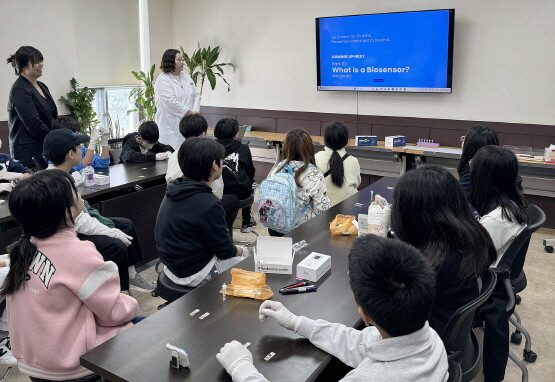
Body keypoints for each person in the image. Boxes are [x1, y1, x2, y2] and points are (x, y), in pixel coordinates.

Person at [217, 235, 449, 382]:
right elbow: (360, 344)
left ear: (364, 314)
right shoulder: (431, 339)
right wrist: (298, 323)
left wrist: (242, 370)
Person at [1, 170, 138, 381]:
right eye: (75, 191)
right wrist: (130, 303)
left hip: (34, 363)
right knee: (149, 330)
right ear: (66, 212)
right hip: (72, 365)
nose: (80, 195)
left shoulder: (21, 250)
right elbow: (114, 313)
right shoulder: (79, 253)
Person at [43, 128, 155, 292]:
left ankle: (131, 275)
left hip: (76, 225)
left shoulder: (63, 174)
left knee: (126, 225)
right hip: (68, 235)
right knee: (116, 245)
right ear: (70, 154)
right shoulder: (57, 182)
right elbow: (81, 222)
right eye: (79, 146)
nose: (82, 149)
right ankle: (122, 292)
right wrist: (111, 232)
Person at [390, 165, 497, 337]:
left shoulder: (428, 268)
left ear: (413, 216)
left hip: (423, 346)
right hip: (449, 334)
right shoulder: (471, 239)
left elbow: (386, 316)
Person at [155, 137, 248, 288]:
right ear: (214, 165)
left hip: (171, 267)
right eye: (221, 161)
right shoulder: (209, 203)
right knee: (246, 261)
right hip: (192, 273)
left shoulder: (173, 189)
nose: (223, 165)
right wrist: (243, 250)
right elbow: (225, 251)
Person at [470, 146, 528, 382]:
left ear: (484, 179)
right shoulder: (512, 205)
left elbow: (468, 258)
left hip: (484, 287)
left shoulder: (497, 219)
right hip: (497, 281)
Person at [265, 128, 331, 236]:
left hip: (275, 225)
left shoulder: (277, 168)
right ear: (310, 148)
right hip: (301, 230)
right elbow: (321, 210)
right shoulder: (314, 173)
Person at [7, 46, 58, 169]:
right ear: (24, 67)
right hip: (29, 153)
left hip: (44, 147)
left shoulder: (42, 86)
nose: (41, 65)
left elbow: (52, 116)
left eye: (41, 61)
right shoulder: (19, 89)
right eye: (36, 62)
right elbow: (33, 124)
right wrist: (56, 141)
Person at [214, 118, 256, 232]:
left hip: (216, 191)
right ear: (235, 134)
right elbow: (251, 171)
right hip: (239, 192)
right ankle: (246, 222)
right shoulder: (243, 149)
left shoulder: (210, 148)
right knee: (251, 183)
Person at [154, 49, 201, 150]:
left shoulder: (186, 78)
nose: (182, 62)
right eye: (179, 60)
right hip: (170, 128)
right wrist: (189, 112)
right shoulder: (163, 80)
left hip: (188, 125)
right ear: (170, 62)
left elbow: (196, 95)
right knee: (172, 157)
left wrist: (195, 112)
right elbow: (170, 102)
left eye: (182, 60)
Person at [315, 122, 361, 205]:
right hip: (349, 209)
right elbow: (357, 183)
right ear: (346, 141)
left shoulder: (317, 157)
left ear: (325, 139)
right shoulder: (353, 161)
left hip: (323, 209)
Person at [457, 125, 499, 196]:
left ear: (470, 146)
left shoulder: (470, 179)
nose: (462, 142)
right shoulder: (501, 169)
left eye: (464, 139)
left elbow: (456, 201)